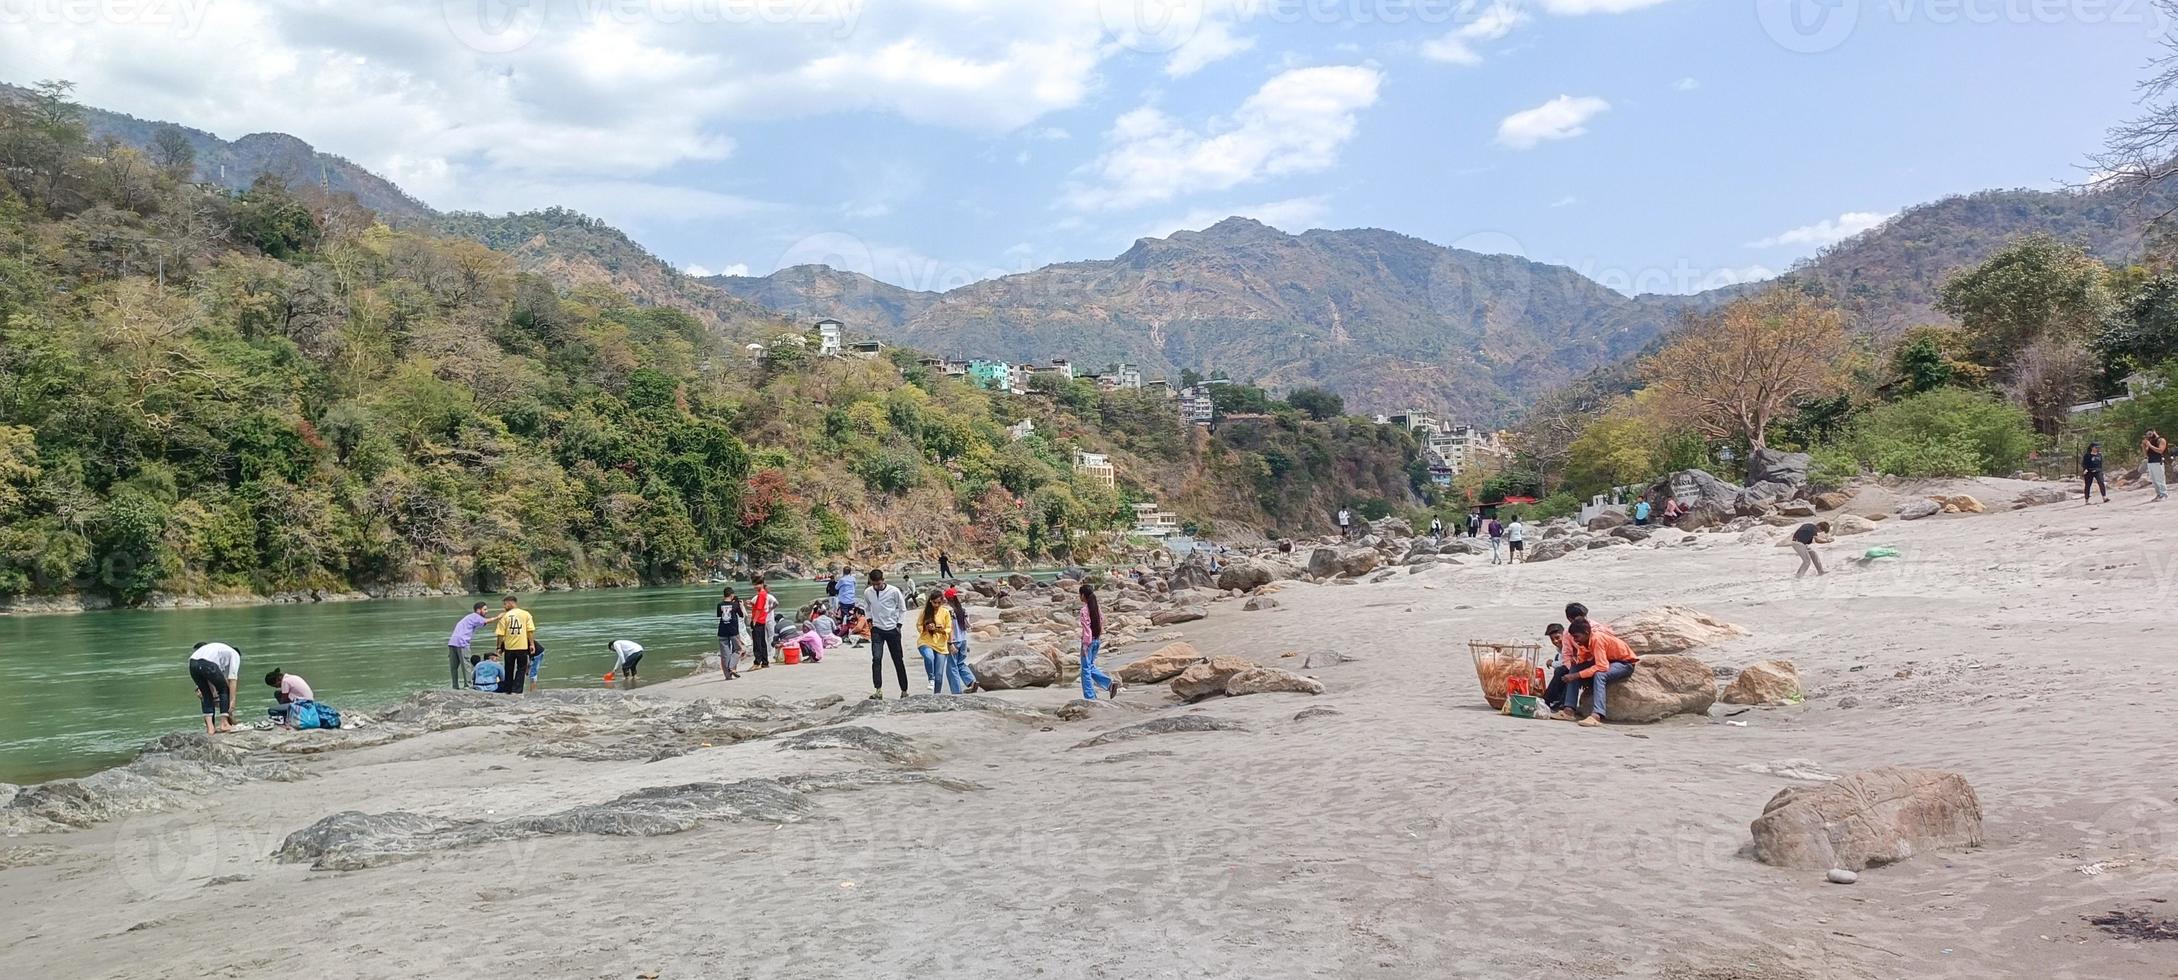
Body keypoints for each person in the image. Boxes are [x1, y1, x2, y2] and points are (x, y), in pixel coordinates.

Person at [1558, 619, 1640, 727]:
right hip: (1609, 661)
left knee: (1599, 675)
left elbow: (1601, 666)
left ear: (1587, 633)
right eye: (1573, 637)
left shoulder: (1597, 639)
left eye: (1577, 636)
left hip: (1624, 663)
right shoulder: (1584, 643)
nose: (1575, 640)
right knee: (1575, 668)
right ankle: (1569, 710)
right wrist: (1578, 670)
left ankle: (1597, 714)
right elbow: (1583, 659)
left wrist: (1577, 676)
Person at [866, 569, 910, 699]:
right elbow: (867, 607)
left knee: (898, 660)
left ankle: (904, 690)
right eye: (874, 584)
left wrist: (899, 625)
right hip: (877, 630)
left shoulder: (894, 591)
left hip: (892, 629)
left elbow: (902, 609)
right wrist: (869, 621)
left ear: (883, 580)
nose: (876, 586)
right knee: (876, 659)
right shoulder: (868, 592)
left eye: (878, 584)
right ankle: (878, 690)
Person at [187, 641, 241, 734]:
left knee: (206, 694)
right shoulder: (235, 655)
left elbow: (211, 678)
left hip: (192, 663)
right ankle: (224, 724)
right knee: (224, 690)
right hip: (206, 664)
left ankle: (210, 728)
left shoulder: (218, 651)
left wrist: (213, 695)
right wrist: (232, 701)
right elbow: (232, 680)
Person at [1077, 582, 1120, 700]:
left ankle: (1090, 697)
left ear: (1083, 596)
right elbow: (1102, 622)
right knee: (1090, 667)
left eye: (1080, 594)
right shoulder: (1096, 608)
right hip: (1097, 641)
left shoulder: (1084, 611)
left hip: (1088, 643)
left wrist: (1086, 645)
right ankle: (1109, 684)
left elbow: (1086, 629)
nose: (1079, 597)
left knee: (1085, 670)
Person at [916, 590, 959, 694]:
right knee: (929, 657)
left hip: (941, 644)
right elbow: (918, 625)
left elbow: (949, 628)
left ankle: (937, 695)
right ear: (930, 601)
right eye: (934, 602)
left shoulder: (945, 612)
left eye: (939, 603)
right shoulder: (924, 612)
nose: (937, 605)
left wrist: (941, 630)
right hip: (926, 641)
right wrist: (926, 628)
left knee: (939, 676)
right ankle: (931, 678)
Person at [446, 601, 496, 690]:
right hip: (462, 642)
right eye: (484, 609)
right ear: (478, 610)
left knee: (453, 667)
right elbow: (488, 621)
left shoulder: (469, 618)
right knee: (466, 666)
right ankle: (468, 686)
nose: (486, 611)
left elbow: (481, 624)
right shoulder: (475, 616)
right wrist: (499, 617)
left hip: (452, 642)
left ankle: (455, 686)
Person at [494, 595, 537, 694]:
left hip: (509, 647)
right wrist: (532, 644)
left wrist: (499, 647)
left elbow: (500, 634)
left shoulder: (505, 616)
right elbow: (530, 631)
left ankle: (508, 690)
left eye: (505, 604)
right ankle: (517, 690)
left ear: (511, 603)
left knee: (508, 669)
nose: (504, 607)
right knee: (521, 669)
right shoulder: (526, 614)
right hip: (522, 647)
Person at [946, 588, 978, 694]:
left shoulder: (948, 611)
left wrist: (949, 643)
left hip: (953, 641)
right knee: (961, 663)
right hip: (963, 640)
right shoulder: (962, 610)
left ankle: (956, 691)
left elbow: (948, 627)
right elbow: (968, 625)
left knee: (952, 667)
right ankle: (971, 681)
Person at [716, 587, 744, 680]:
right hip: (733, 630)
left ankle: (728, 676)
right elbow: (741, 615)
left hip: (722, 630)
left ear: (723, 595)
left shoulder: (719, 605)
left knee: (725, 654)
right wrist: (740, 605)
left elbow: (720, 615)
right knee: (738, 649)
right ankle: (732, 667)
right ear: (732, 595)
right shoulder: (735, 605)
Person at [749, 574, 774, 670]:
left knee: (757, 642)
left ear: (761, 584)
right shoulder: (764, 594)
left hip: (758, 620)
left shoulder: (761, 595)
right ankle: (765, 661)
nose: (755, 587)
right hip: (762, 620)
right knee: (763, 642)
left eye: (756, 584)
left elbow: (759, 609)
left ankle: (757, 662)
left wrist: (754, 620)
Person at [2145, 430, 2170, 502]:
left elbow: (2160, 450)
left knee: (2160, 479)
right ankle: (2158, 494)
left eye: (2150, 432)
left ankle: (2164, 494)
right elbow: (2146, 454)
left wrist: (2150, 445)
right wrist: (2144, 446)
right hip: (2150, 462)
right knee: (2154, 480)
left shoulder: (2161, 440)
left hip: (2158, 461)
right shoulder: (2150, 441)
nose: (2149, 434)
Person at [2083, 441, 2109, 505]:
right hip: (2089, 471)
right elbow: (2084, 463)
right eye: (2096, 447)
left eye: (2098, 447)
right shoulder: (2087, 455)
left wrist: (2101, 471)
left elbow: (2100, 464)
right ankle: (2087, 500)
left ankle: (2104, 497)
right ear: (2092, 448)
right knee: (2088, 485)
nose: (2097, 449)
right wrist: (2085, 469)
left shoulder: (2099, 455)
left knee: (2101, 482)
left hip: (2098, 470)